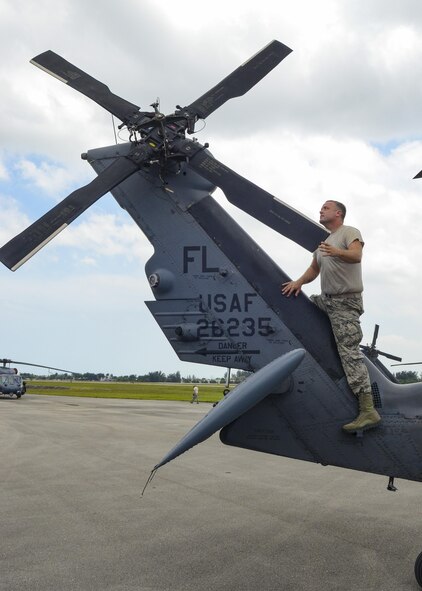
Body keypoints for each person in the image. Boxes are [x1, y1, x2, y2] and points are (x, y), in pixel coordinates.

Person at [281, 200, 381, 433]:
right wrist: (298, 282)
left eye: (325, 208)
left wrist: (337, 251)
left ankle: (368, 410)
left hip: (346, 302)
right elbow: (314, 270)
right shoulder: (323, 244)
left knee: (349, 352)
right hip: (327, 301)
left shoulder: (349, 232)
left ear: (338, 213)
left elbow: (356, 256)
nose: (320, 210)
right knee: (301, 304)